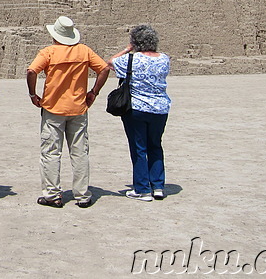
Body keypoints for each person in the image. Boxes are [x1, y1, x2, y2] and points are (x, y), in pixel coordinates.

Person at [26, 16, 109, 208]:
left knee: (50, 152)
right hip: (78, 108)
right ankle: (82, 195)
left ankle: (52, 195)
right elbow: (104, 69)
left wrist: (33, 94)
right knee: (80, 152)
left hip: (53, 109)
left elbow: (31, 71)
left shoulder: (49, 52)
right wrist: (93, 92)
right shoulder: (84, 51)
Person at [108, 25, 172, 202]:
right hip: (160, 109)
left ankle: (142, 189)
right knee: (155, 146)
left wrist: (127, 49)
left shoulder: (132, 60)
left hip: (136, 108)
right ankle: (158, 186)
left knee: (139, 148)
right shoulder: (164, 59)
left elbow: (110, 62)